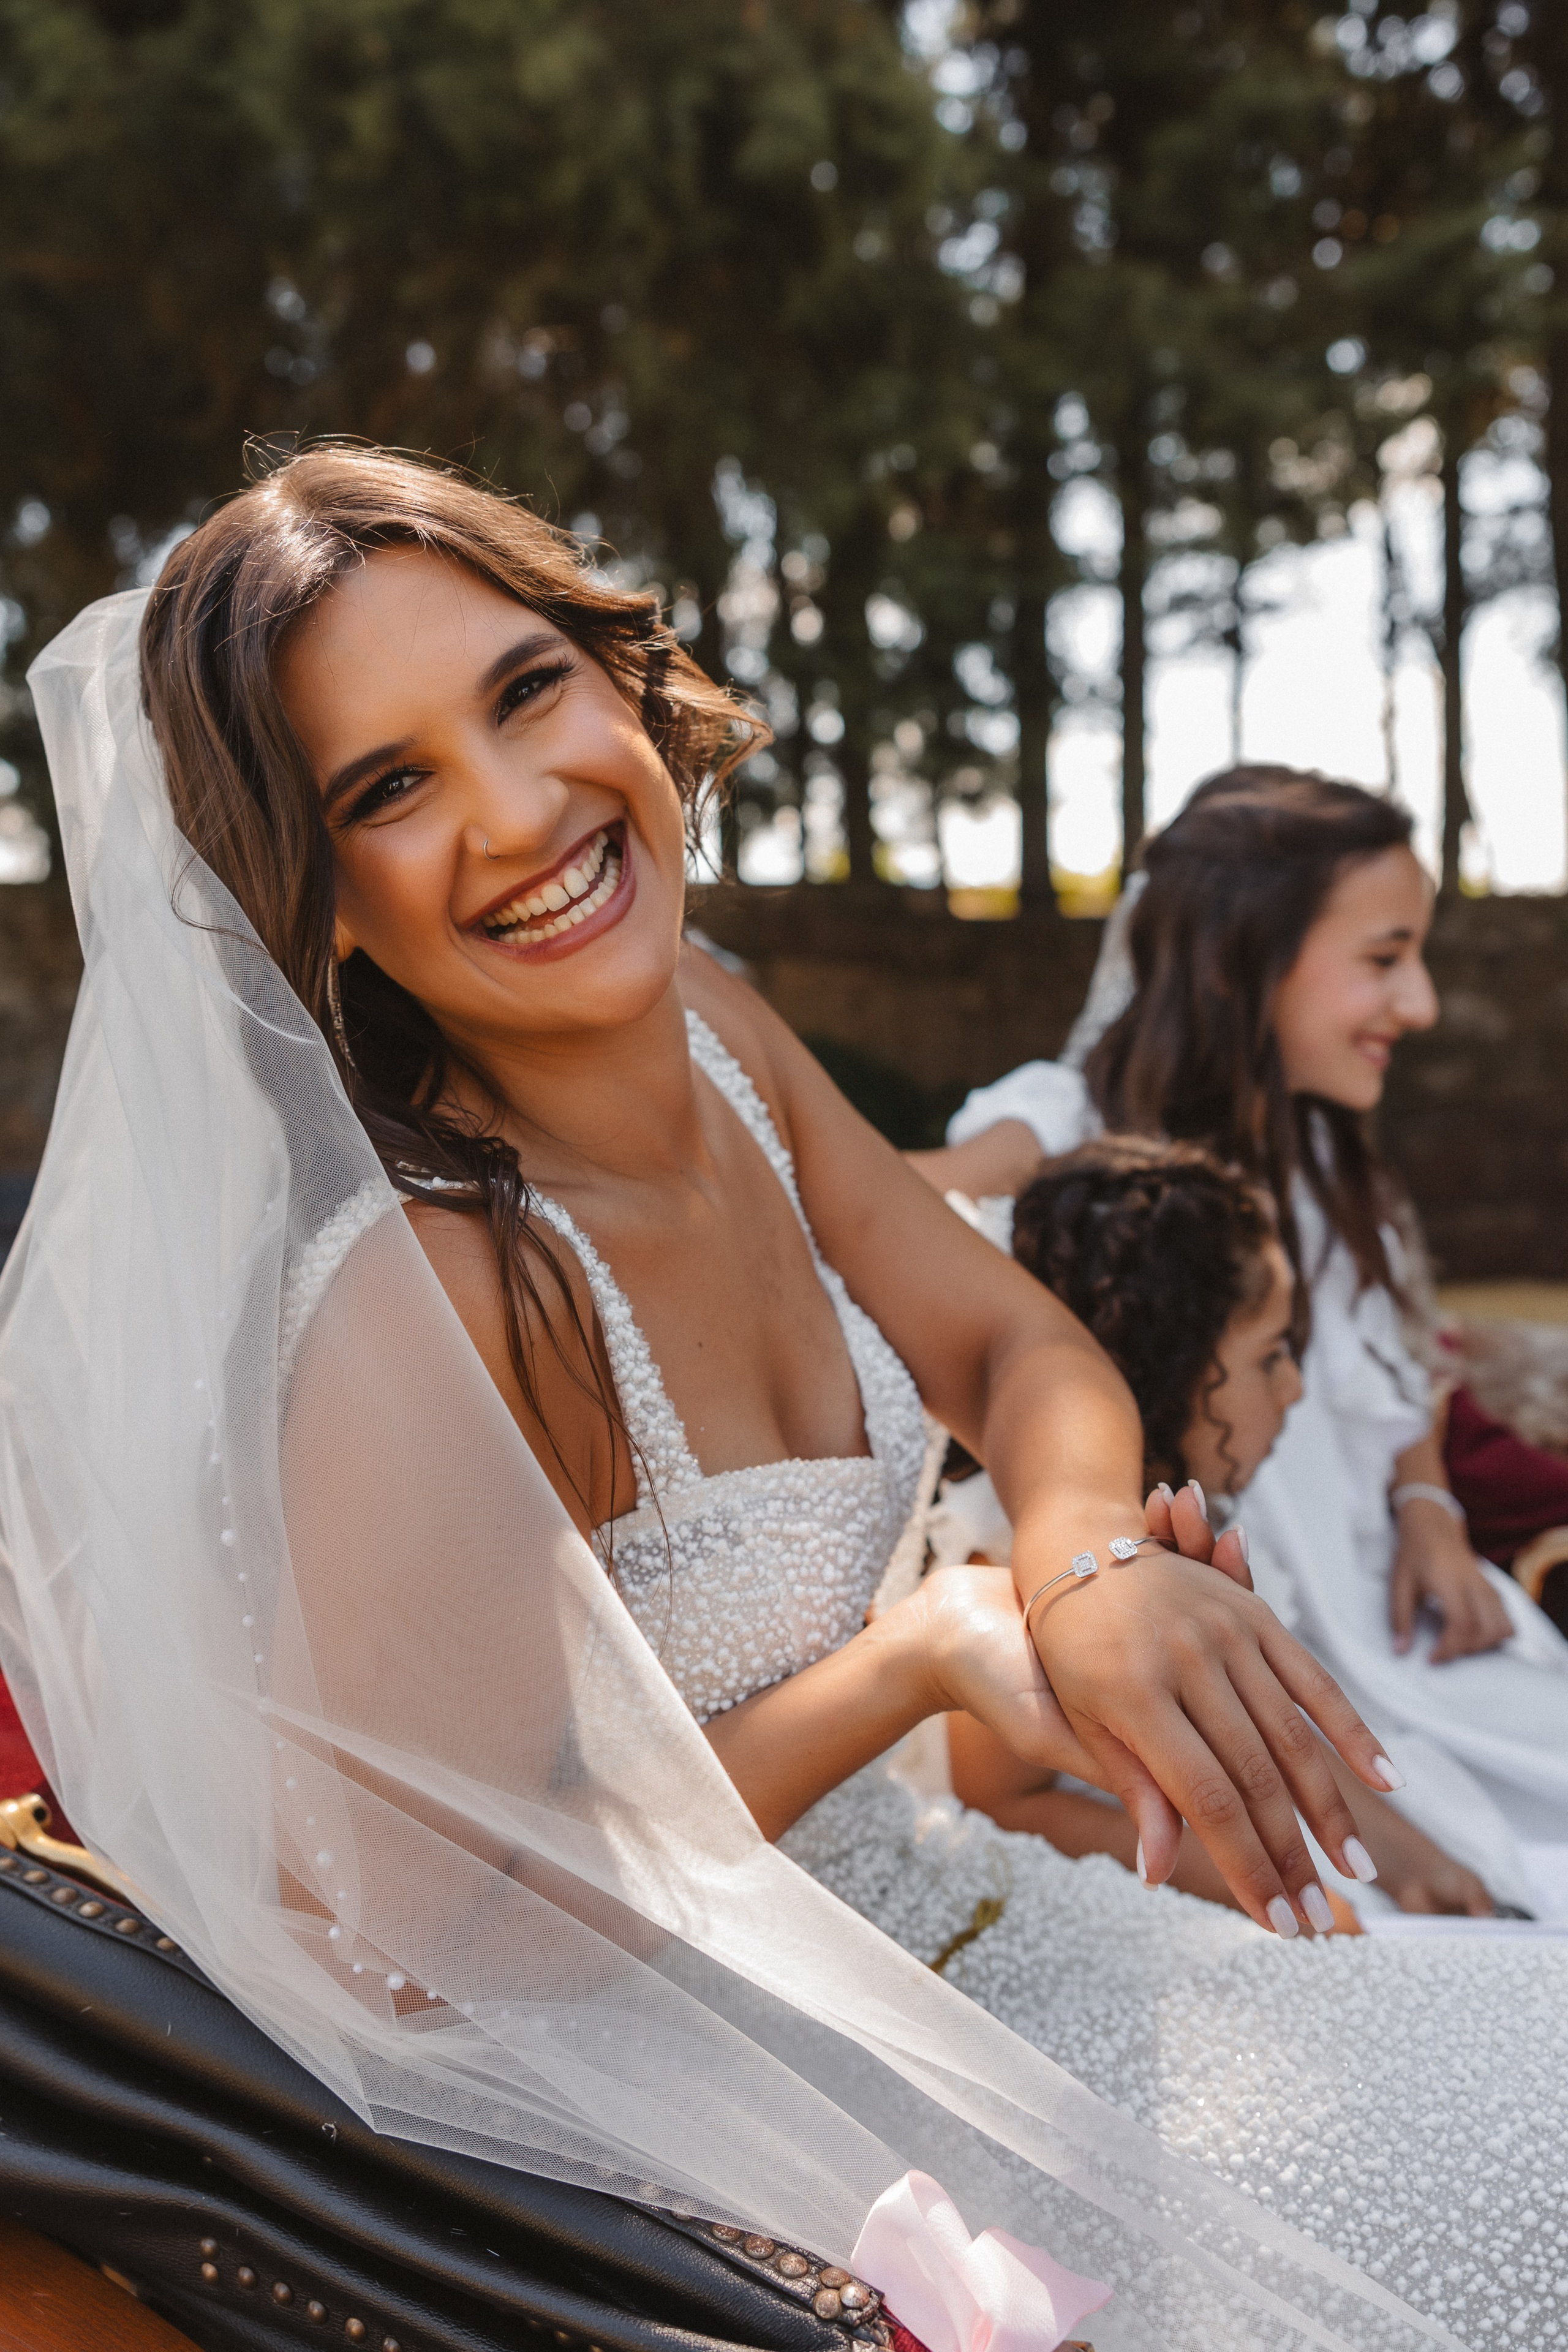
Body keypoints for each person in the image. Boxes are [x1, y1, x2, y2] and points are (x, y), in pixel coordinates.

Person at [0, 454, 1560, 2352]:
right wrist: (904, 1664)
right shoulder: (438, 1291)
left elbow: (1013, 1343)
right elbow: (424, 1949)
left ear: (616, 677)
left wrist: (1077, 1568)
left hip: (983, 1925)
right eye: (389, 788)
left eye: (523, 689)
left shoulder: (720, 1029)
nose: (516, 811)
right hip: (763, 2101)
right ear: (317, 905)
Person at [920, 769, 1568, 1921]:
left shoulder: (1327, 1155)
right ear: (1240, 961)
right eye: (1383, 958)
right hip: (1248, 1646)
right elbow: (881, 1222)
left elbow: (1396, 1355)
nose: (1417, 1004)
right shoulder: (1066, 1138)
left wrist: (1429, 1505)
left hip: (1397, 1626)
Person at [930, 1134, 1496, 1923]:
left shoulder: (1189, 1517)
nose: (1294, 1390)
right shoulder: (1031, 1566)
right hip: (1107, 1901)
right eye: (1269, 1357)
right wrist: (1252, 1884)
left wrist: (1411, 1865)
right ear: (1169, 1370)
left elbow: (1270, 1738)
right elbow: (1000, 1805)